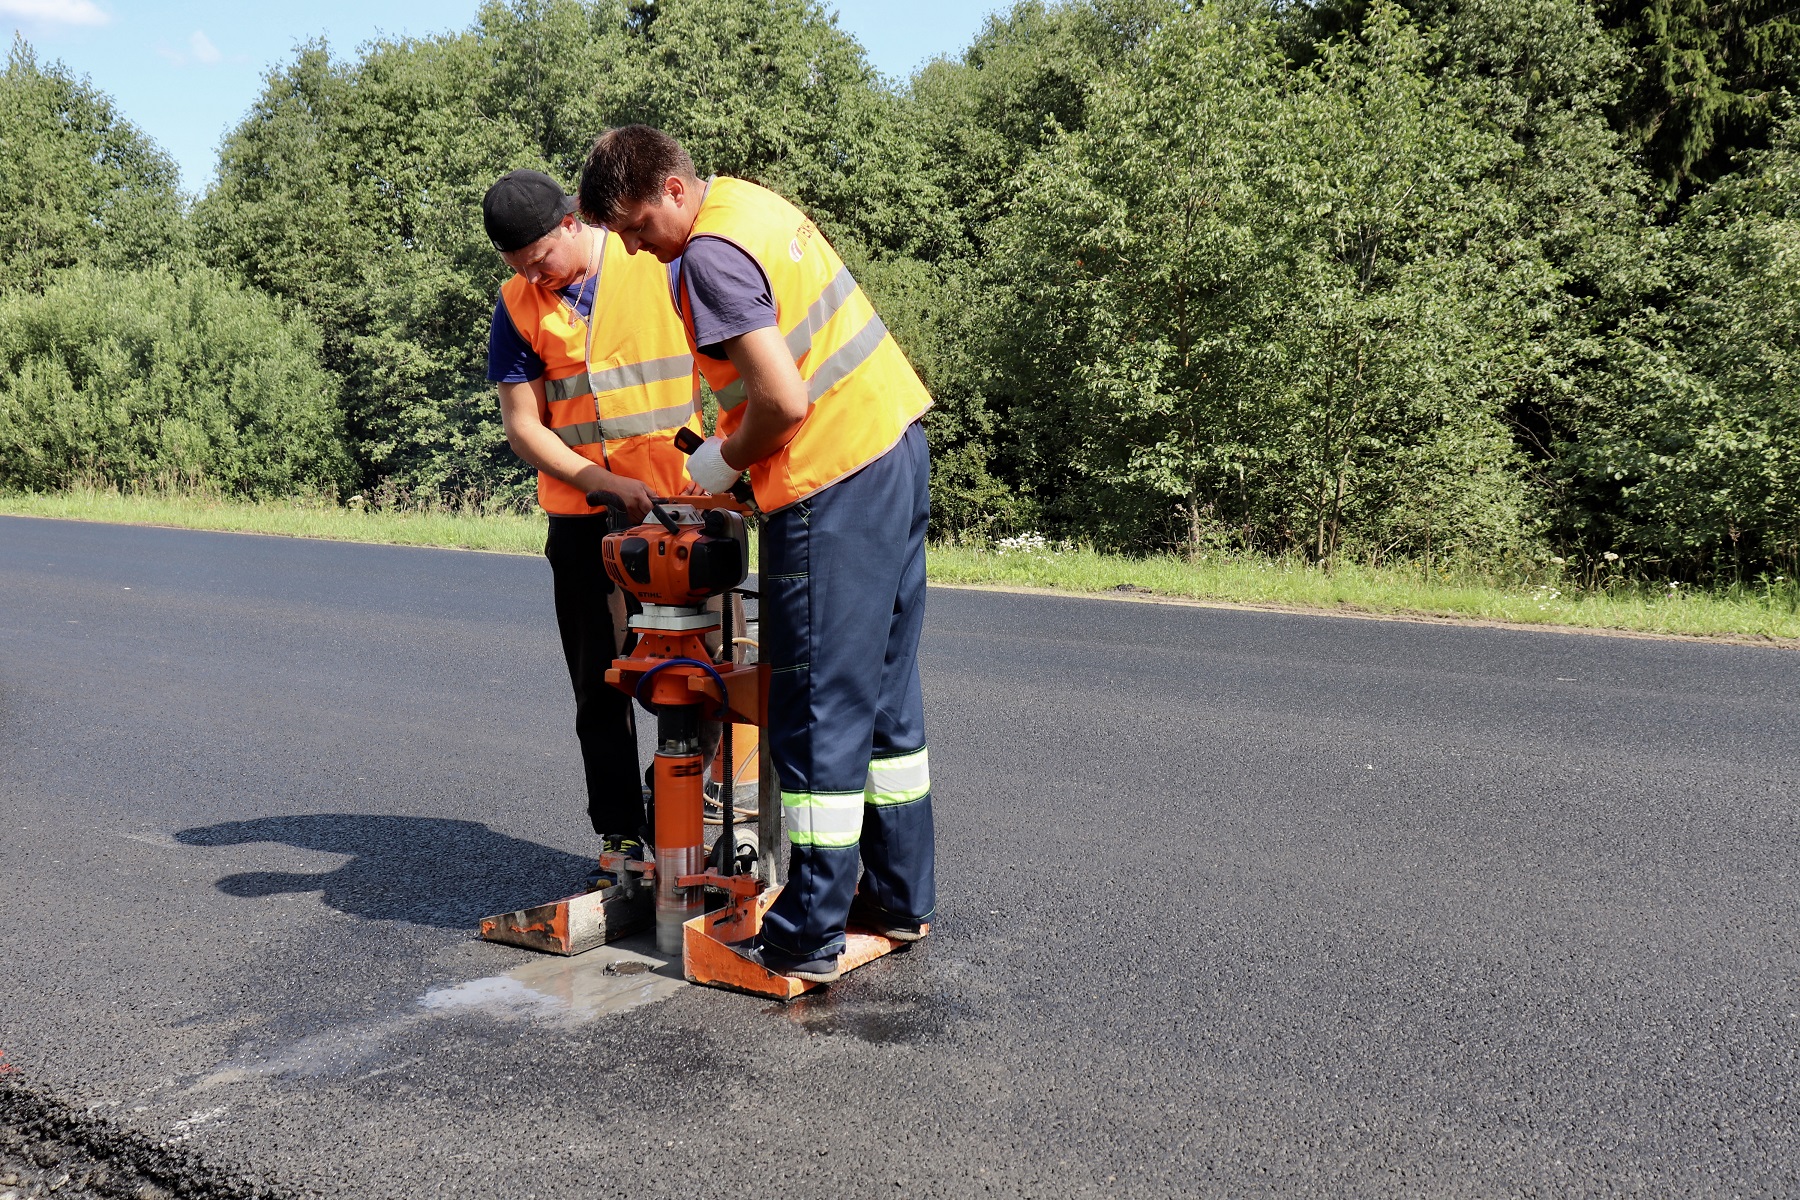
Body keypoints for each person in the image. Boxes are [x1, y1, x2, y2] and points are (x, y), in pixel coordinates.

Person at [577, 127, 937, 983]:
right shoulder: (751, 203)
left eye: (633, 226)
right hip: (891, 443)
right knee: (884, 695)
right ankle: (896, 898)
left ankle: (805, 935)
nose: (630, 246)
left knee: (815, 706)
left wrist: (722, 461)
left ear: (671, 188)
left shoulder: (704, 256)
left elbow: (780, 397)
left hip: (828, 479)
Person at [482, 168, 700, 887]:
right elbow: (524, 426)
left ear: (573, 221)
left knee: (700, 675)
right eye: (518, 269)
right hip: (582, 520)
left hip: (683, 509)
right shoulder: (517, 305)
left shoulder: (656, 259)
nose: (533, 278)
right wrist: (599, 482)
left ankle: (680, 809)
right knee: (600, 684)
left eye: (539, 260)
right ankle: (622, 833)